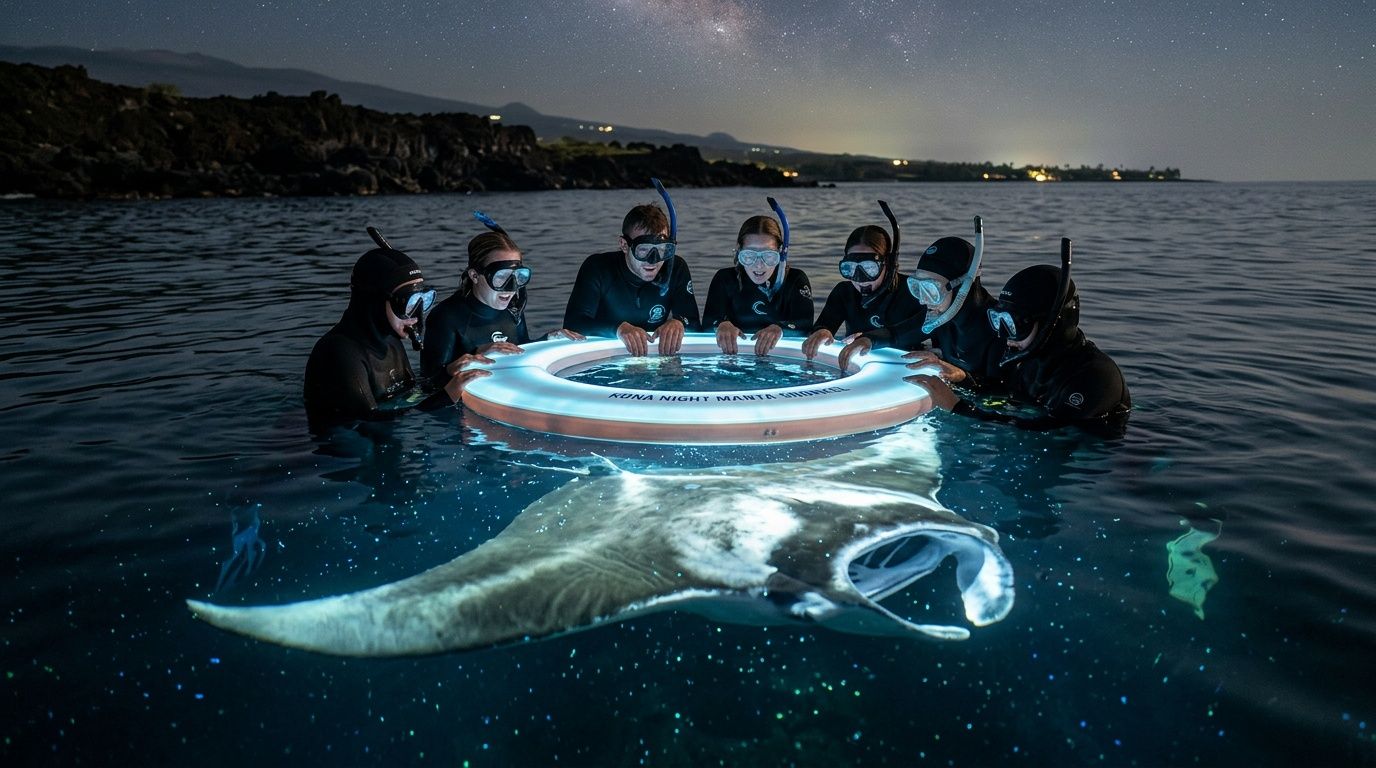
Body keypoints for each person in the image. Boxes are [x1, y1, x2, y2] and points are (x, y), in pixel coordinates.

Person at [907, 239, 1131, 436]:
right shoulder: (1027, 362)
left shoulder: (1095, 378)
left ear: (1052, 326)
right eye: (999, 321)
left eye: (1014, 325)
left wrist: (959, 409)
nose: (1005, 336)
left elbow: (1053, 430)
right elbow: (1004, 394)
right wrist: (963, 378)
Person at [304, 228, 490, 428]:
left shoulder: (389, 338)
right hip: (346, 447)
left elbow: (409, 396)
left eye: (422, 301)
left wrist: (446, 375)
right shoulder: (340, 352)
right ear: (373, 303)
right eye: (408, 303)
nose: (416, 315)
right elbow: (368, 422)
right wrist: (445, 397)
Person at [422, 212, 583, 383]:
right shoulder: (446, 317)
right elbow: (427, 384)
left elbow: (520, 350)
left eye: (518, 276)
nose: (512, 287)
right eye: (501, 276)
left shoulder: (514, 308)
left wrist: (547, 340)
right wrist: (476, 355)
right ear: (475, 276)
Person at [562, 180, 700, 356]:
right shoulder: (598, 268)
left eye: (662, 250)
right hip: (607, 355)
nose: (653, 261)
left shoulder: (676, 267)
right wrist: (619, 328)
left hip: (654, 358)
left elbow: (694, 323)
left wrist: (679, 323)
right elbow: (574, 323)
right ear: (624, 245)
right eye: (643, 250)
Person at [802, 200, 926, 369]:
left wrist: (871, 338)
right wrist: (822, 331)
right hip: (861, 365)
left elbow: (929, 333)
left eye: (869, 267)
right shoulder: (844, 292)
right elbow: (824, 325)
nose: (860, 278)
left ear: (888, 264)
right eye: (851, 268)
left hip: (902, 366)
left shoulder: (912, 291)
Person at [900, 220, 1006, 393]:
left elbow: (1002, 396)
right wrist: (867, 340)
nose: (923, 301)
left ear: (962, 286)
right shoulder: (941, 313)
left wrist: (963, 378)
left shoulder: (998, 329)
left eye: (931, 290)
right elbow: (898, 333)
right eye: (917, 288)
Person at [702, 198, 813, 356]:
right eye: (749, 256)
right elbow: (707, 322)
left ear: (781, 254)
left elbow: (806, 323)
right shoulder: (725, 279)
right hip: (734, 358)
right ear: (739, 253)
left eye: (768, 256)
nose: (759, 265)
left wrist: (780, 328)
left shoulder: (795, 279)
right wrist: (721, 324)